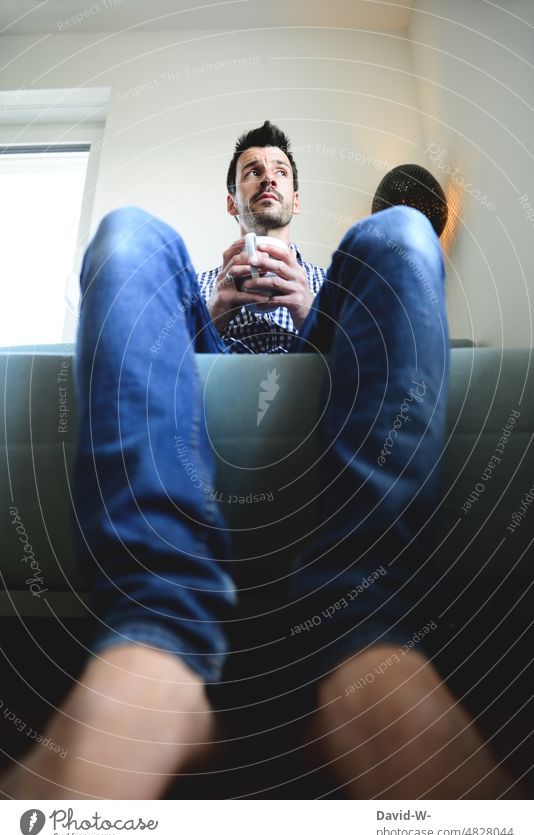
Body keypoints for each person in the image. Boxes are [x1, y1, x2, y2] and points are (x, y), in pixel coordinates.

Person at [0, 121, 517, 800]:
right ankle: (155, 634)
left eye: (278, 169)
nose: (266, 176)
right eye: (251, 170)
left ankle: (369, 626)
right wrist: (207, 316)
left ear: (296, 198)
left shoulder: (336, 280)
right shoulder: (198, 278)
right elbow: (153, 355)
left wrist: (311, 315)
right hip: (200, 340)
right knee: (128, 233)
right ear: (232, 200)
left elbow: (376, 352)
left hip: (320, 331)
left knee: (400, 235)